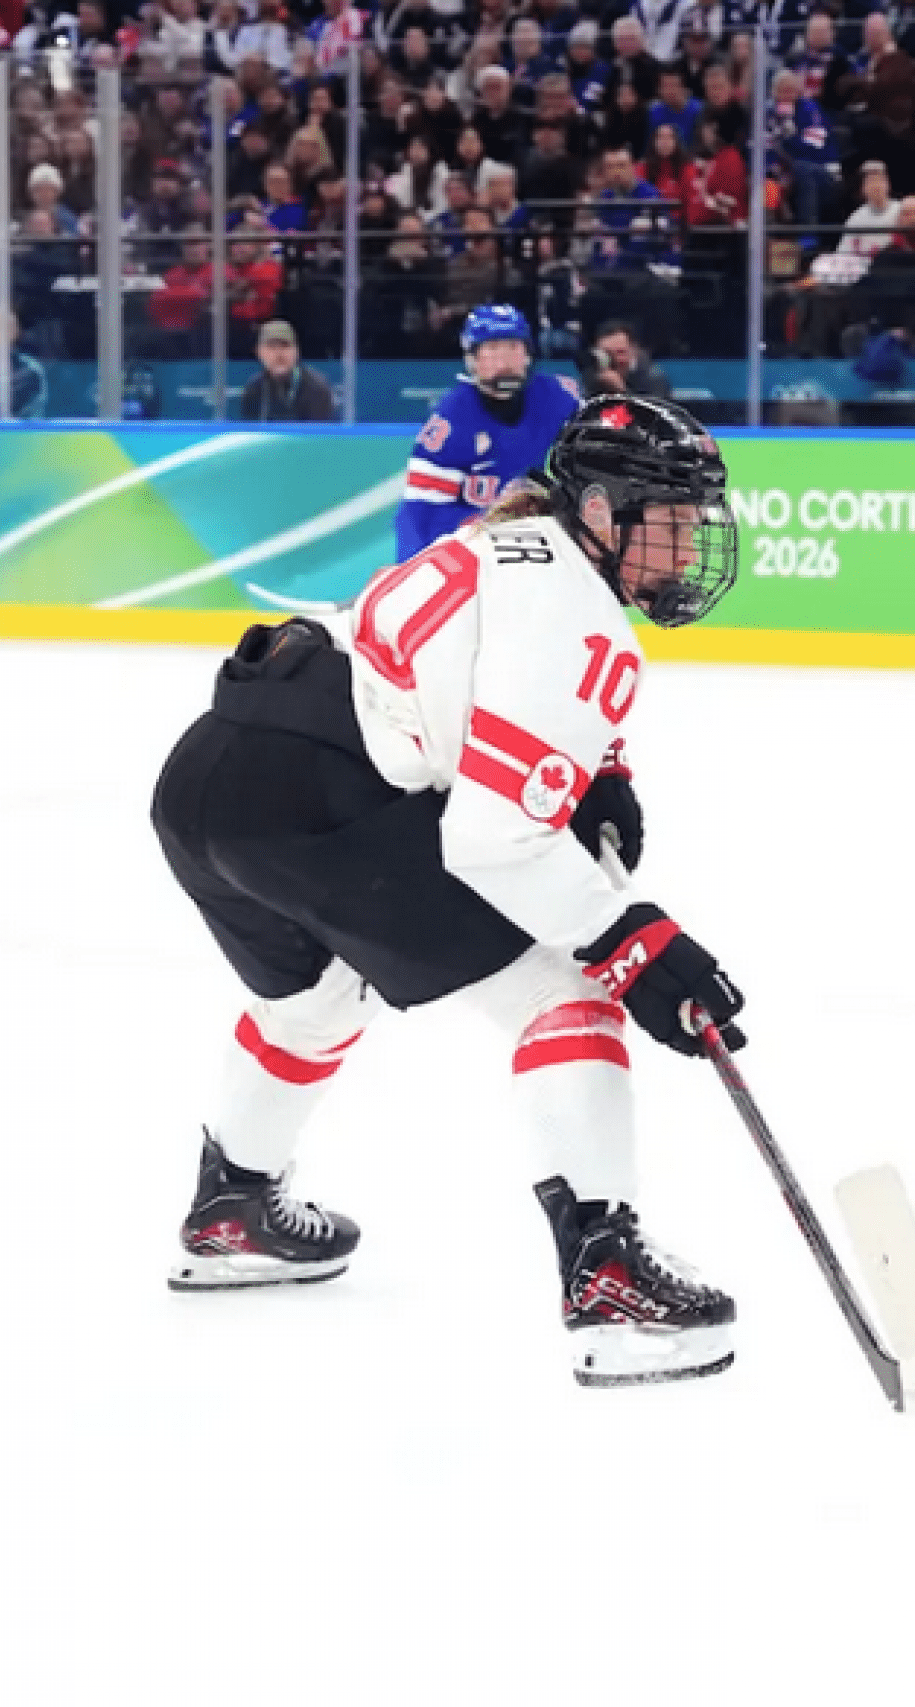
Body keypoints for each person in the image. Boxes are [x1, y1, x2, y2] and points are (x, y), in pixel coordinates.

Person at [151, 394, 749, 1387]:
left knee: (310, 1003)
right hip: (324, 800)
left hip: (214, 775)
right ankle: (609, 1283)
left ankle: (233, 1211)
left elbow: (466, 676)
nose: (690, 547)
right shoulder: (581, 615)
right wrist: (631, 940)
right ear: (601, 514)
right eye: (674, 521)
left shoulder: (504, 544)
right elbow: (492, 835)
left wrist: (601, 771)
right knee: (570, 991)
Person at [395, 303, 585, 559]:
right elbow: (422, 514)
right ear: (472, 358)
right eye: (493, 350)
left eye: (513, 348)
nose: (505, 362)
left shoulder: (562, 402)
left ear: (528, 354)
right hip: (474, 552)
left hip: (552, 546)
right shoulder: (450, 422)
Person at [234, 319, 337, 422]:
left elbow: (320, 435)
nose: (279, 354)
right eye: (271, 347)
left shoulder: (317, 387)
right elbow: (250, 433)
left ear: (297, 352)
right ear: (259, 352)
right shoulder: (254, 388)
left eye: (285, 346)